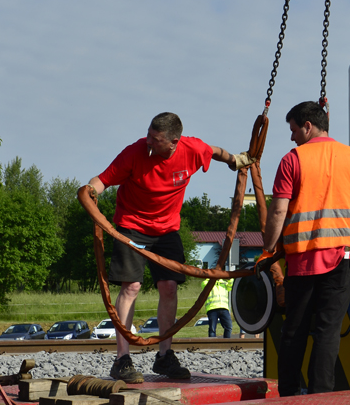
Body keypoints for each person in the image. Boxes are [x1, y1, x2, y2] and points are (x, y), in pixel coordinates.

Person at [90, 112, 249, 384]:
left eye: (156, 138)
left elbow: (215, 152)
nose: (148, 140)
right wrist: (89, 191)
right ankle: (122, 360)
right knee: (131, 287)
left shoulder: (192, 149)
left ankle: (164, 357)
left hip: (167, 230)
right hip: (131, 225)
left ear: (174, 141)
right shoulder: (134, 153)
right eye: (149, 134)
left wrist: (236, 160)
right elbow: (102, 180)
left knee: (169, 286)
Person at [262, 101, 350, 395]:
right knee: (327, 331)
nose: (292, 136)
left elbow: (277, 212)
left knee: (294, 331)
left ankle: (289, 392)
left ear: (307, 126)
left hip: (302, 261)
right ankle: (320, 396)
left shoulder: (293, 159)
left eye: (293, 129)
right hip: (342, 258)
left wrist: (268, 248)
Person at [201, 272, 233, 338]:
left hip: (224, 307)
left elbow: (230, 287)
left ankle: (226, 344)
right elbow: (205, 285)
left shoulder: (224, 283)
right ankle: (213, 346)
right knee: (212, 329)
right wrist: (213, 278)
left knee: (229, 327)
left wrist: (230, 279)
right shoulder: (206, 282)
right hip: (212, 308)